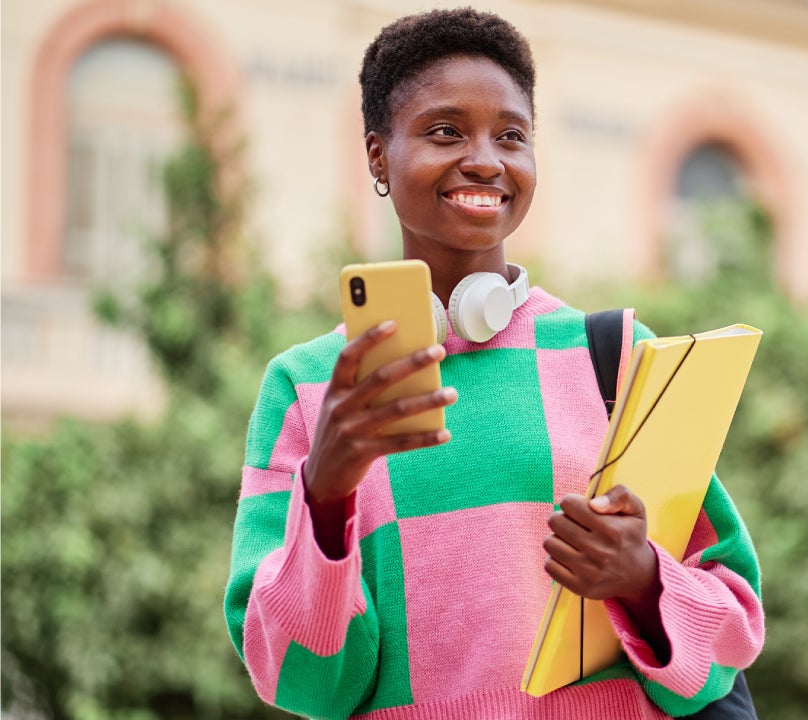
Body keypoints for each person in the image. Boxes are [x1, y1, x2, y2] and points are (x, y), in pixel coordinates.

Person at [223, 8, 764, 719]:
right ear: (379, 155)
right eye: (445, 130)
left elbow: (733, 629)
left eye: (511, 135)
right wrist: (324, 498)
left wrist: (642, 581)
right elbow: (305, 685)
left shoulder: (616, 358)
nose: (485, 159)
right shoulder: (308, 389)